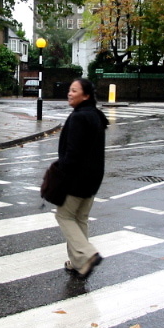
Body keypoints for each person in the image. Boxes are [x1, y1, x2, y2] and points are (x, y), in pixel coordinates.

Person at [55, 78, 109, 279]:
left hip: (77, 178)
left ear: (85, 95)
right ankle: (79, 263)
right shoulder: (96, 115)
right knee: (80, 218)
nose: (69, 93)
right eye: (69, 90)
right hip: (94, 176)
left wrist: (62, 177)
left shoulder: (79, 117)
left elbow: (73, 153)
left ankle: (88, 254)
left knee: (64, 216)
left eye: (74, 90)